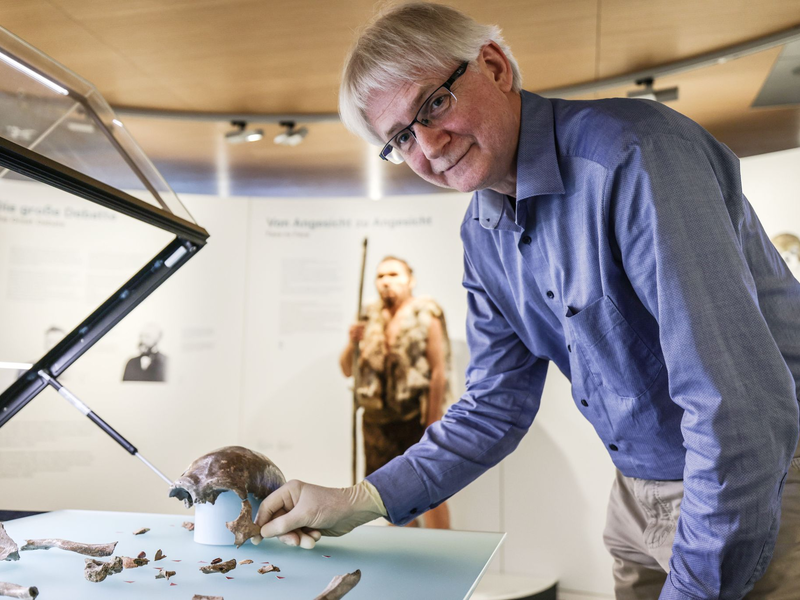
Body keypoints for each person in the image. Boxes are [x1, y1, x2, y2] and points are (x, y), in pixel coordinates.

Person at [255, 4, 800, 598]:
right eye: (402, 137)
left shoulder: (635, 156)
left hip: (755, 481)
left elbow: (738, 410)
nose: (429, 145)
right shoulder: (481, 233)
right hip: (635, 493)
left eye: (433, 103)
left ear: (494, 67)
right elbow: (495, 404)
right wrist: (359, 499)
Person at [339, 256, 451, 529]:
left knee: (431, 491)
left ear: (410, 280)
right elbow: (347, 369)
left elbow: (438, 371)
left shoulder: (426, 314)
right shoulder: (368, 316)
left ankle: (442, 548)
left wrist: (432, 421)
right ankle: (405, 550)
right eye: (380, 276)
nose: (386, 281)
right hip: (377, 424)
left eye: (393, 274)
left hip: (414, 420)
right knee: (391, 497)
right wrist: (352, 342)